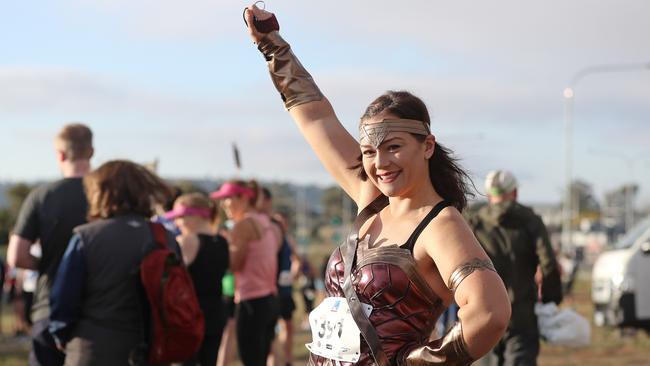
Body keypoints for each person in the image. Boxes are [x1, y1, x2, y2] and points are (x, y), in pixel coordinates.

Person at [243, 5, 511, 365]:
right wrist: (273, 47)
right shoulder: (371, 199)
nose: (380, 163)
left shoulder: (440, 225)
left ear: (427, 146)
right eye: (369, 151)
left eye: (394, 147)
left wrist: (417, 361)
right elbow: (316, 118)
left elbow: (489, 313)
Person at [47, 160, 175, 366]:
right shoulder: (164, 238)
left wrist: (60, 333)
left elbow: (64, 298)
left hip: (93, 348)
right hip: (150, 348)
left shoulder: (87, 237)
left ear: (99, 193)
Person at [7, 123, 93, 366]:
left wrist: (48, 263)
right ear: (91, 152)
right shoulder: (105, 196)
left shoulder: (42, 196)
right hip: (98, 311)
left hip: (51, 304)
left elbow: (17, 256)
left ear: (60, 154)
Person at [466, 170, 563, 366]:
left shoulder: (473, 222)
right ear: (515, 192)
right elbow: (549, 264)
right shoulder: (531, 220)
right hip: (521, 312)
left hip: (484, 313)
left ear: (489, 194)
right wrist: (552, 298)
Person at [211, 180, 281, 366]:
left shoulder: (242, 225)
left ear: (243, 198)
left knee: (251, 359)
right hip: (269, 299)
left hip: (251, 301)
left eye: (227, 198)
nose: (223, 204)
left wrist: (221, 247)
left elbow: (234, 265)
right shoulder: (264, 221)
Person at [165, 192, 230, 366]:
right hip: (216, 312)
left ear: (193, 216)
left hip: (190, 315)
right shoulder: (222, 241)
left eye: (179, 217)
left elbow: (174, 277)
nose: (176, 223)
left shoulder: (187, 241)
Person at [260, 188, 300, 366]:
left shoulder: (289, 240)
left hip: (286, 290)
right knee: (270, 331)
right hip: (271, 291)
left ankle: (288, 360)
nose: (281, 226)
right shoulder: (270, 240)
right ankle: (273, 361)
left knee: (288, 327)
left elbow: (297, 260)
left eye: (284, 223)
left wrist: (294, 274)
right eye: (278, 223)